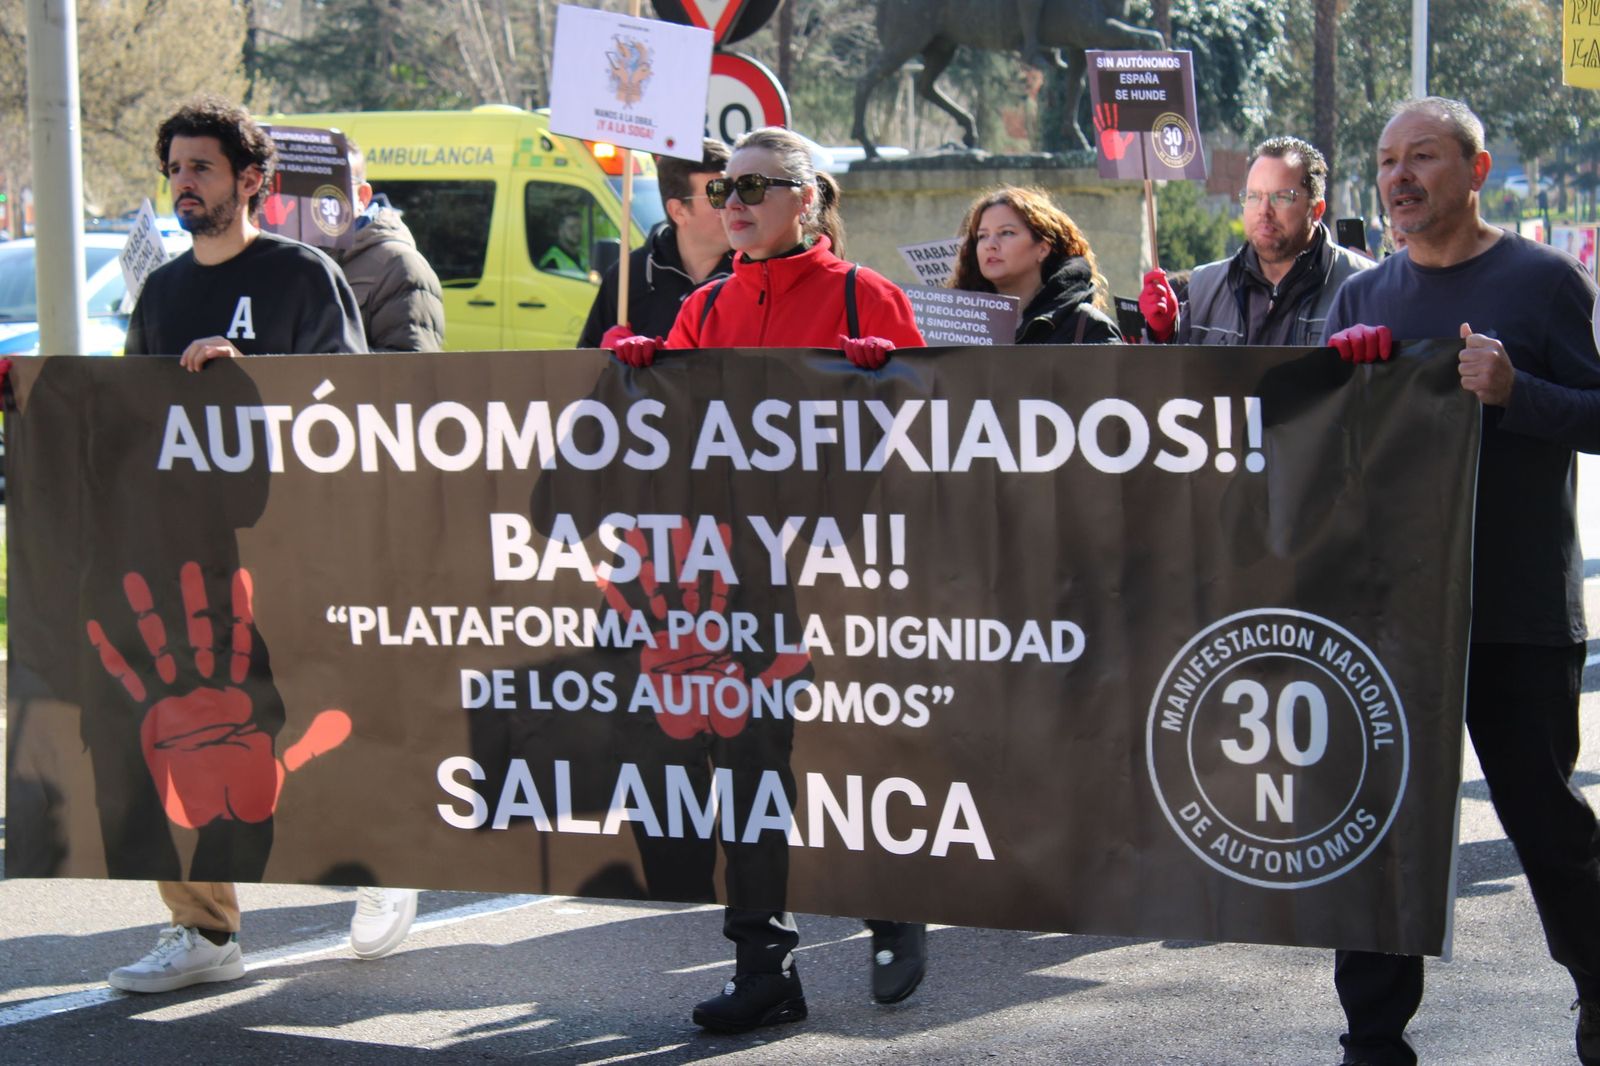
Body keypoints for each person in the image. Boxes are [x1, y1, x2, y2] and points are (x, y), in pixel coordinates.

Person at [607, 125, 928, 1034]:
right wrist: (643, 371)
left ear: (807, 198)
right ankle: (764, 965)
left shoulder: (868, 300)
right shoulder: (704, 308)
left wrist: (888, 381)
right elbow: (669, 441)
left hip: (845, 573)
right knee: (747, 766)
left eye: (753, 185)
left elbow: (935, 439)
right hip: (740, 579)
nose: (732, 202)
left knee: (861, 748)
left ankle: (895, 911)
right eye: (722, 189)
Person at [1320, 96, 1600, 1066]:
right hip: (1388, 619)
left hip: (1516, 611)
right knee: (1377, 832)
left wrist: (1518, 392)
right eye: (1388, 158)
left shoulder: (1541, 283)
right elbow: (1315, 451)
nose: (1400, 177)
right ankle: (1371, 1037)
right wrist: (1338, 386)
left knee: (1544, 825)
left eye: (1424, 157)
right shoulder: (1362, 296)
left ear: (1474, 172)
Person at [108, 95, 366, 994]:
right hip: (189, 558)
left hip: (291, 549)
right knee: (188, 731)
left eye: (202, 168)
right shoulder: (163, 291)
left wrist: (253, 377)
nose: (183, 183)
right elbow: (135, 415)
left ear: (252, 180)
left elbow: (356, 409)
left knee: (315, 733)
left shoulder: (302, 276)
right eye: (174, 167)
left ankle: (381, 867)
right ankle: (205, 932)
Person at [333, 137, 445, 960]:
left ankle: (388, 865)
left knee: (369, 702)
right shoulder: (274, 265)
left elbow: (411, 402)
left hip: (365, 520)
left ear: (361, 190)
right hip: (283, 518)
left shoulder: (395, 271)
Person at [1139, 135, 1371, 346]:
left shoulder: (1365, 286)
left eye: (1281, 197)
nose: (1264, 210)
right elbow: (1168, 383)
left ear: (1317, 210)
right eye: (1253, 196)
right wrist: (1163, 333)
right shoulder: (1203, 287)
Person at [577, 138, 734, 348]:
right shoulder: (628, 276)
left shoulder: (753, 274)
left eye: (734, 192)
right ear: (678, 211)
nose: (733, 205)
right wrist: (607, 357)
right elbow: (587, 371)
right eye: (718, 196)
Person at [947, 185, 1123, 345]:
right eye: (982, 236)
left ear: (1042, 249)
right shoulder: (955, 325)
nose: (990, 245)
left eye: (1007, 233)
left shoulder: (1087, 328)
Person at [335, 137, 445, 354]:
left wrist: (322, 356)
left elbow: (412, 371)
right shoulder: (290, 259)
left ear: (362, 196)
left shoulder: (399, 265)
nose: (315, 202)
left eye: (332, 189)